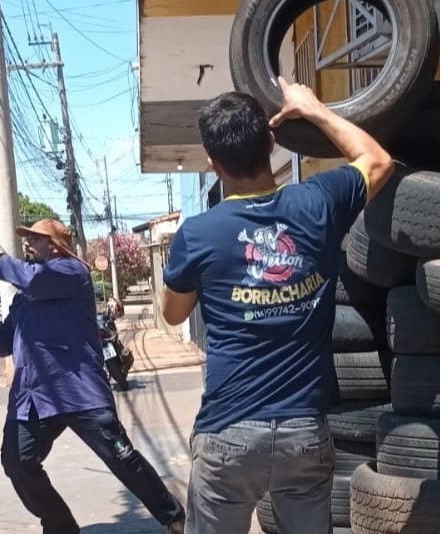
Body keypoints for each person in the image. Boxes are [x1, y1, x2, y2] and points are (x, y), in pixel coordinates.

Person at [160, 77, 394, 534]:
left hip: (228, 433)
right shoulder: (318, 203)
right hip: (301, 431)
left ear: (213, 164)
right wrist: (312, 108)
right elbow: (378, 160)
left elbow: (172, 314)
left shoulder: (199, 234)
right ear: (271, 142)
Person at [0, 218, 185, 534]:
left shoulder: (71, 272)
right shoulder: (23, 299)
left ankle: (174, 516)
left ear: (54, 245)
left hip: (79, 391)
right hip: (33, 398)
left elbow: (35, 281)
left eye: (35, 239)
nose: (28, 244)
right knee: (17, 461)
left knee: (122, 458)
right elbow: (4, 345)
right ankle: (60, 526)